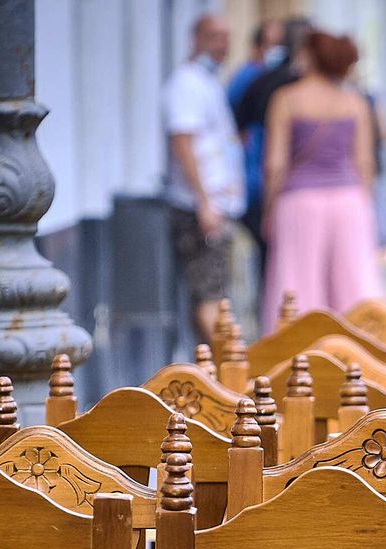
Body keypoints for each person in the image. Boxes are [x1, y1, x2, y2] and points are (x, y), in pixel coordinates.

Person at [260, 31, 384, 328]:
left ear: (311, 57)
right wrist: (366, 205)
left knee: (297, 286)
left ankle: (298, 358)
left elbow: (276, 164)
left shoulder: (286, 100)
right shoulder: (355, 102)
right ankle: (361, 355)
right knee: (355, 286)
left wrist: (268, 209)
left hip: (300, 201)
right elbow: (365, 163)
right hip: (349, 201)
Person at [163, 13, 245, 345]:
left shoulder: (208, 82)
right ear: (195, 38)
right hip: (199, 208)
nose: (222, 44)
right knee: (209, 296)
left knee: (216, 294)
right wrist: (204, 201)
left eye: (226, 36)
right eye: (214, 36)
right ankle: (225, 377)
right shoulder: (186, 83)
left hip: (216, 204)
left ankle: (217, 372)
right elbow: (183, 140)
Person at [235, 17, 314, 294]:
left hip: (272, 191)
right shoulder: (274, 86)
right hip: (280, 190)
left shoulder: (264, 82)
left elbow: (238, 127)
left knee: (277, 273)